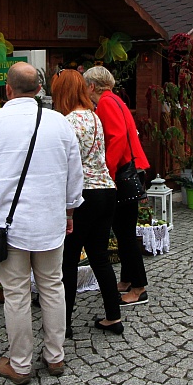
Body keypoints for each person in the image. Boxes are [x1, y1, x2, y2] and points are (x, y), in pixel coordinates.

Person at [0, 62, 84, 385]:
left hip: (8, 225)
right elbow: (76, 175)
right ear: (40, 90)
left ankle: (20, 364)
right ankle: (55, 356)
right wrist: (70, 210)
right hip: (50, 220)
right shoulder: (60, 123)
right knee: (52, 286)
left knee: (16, 294)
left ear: (8, 89)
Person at [51, 69, 123, 337]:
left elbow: (66, 165)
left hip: (82, 195)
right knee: (100, 257)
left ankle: (64, 325)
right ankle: (113, 317)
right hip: (106, 189)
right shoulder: (94, 116)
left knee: (68, 261)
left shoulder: (67, 122)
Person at [83, 66, 150, 306]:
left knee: (125, 234)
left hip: (122, 173)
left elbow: (118, 138)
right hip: (131, 169)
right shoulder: (116, 100)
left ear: (91, 86)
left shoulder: (106, 103)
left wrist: (107, 173)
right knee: (124, 232)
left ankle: (139, 287)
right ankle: (127, 280)